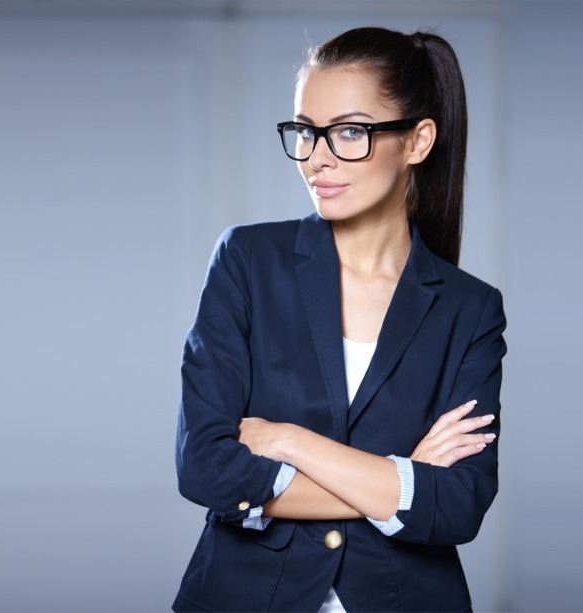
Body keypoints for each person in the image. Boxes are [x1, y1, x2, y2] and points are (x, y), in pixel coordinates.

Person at [171, 26, 507, 613]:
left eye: (350, 131)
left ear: (418, 141)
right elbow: (206, 468)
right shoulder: (247, 261)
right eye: (306, 131)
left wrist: (291, 441)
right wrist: (402, 479)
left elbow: (457, 505)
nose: (317, 158)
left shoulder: (470, 308)